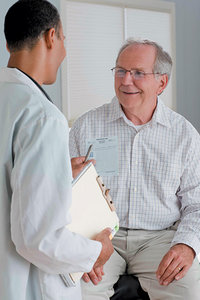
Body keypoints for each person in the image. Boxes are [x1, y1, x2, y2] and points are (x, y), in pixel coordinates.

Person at [69, 38, 200, 299]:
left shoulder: (185, 135)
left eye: (138, 73)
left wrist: (187, 246)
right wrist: (80, 243)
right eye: (121, 70)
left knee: (189, 289)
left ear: (161, 83)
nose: (126, 80)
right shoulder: (85, 126)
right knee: (75, 289)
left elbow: (196, 203)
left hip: (160, 239)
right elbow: (65, 194)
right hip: (100, 236)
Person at [0, 1, 114, 300]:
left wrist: (60, 175)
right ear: (51, 37)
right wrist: (97, 251)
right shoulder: (42, 117)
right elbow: (38, 239)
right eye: (64, 39)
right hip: (26, 286)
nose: (64, 50)